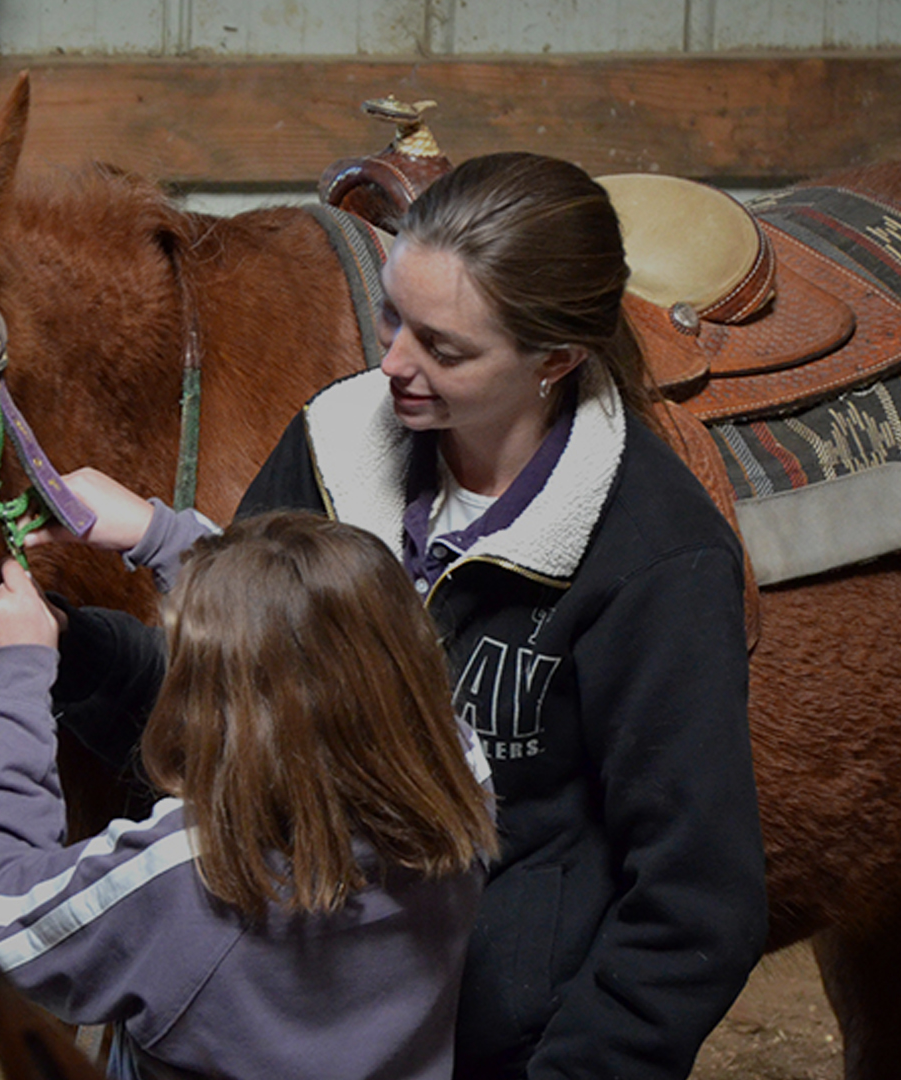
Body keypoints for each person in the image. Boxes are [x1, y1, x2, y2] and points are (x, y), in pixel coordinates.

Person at [42, 151, 769, 1079]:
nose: (391, 363)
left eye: (444, 347)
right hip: (283, 1028)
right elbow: (236, 721)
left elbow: (696, 903)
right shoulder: (332, 448)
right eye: (391, 316)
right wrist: (70, 649)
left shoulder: (657, 557)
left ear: (555, 359)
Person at [0, 512, 499, 1080]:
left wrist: (13, 675)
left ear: (217, 708)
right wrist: (161, 535)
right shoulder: (459, 786)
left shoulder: (195, 878)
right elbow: (314, 642)